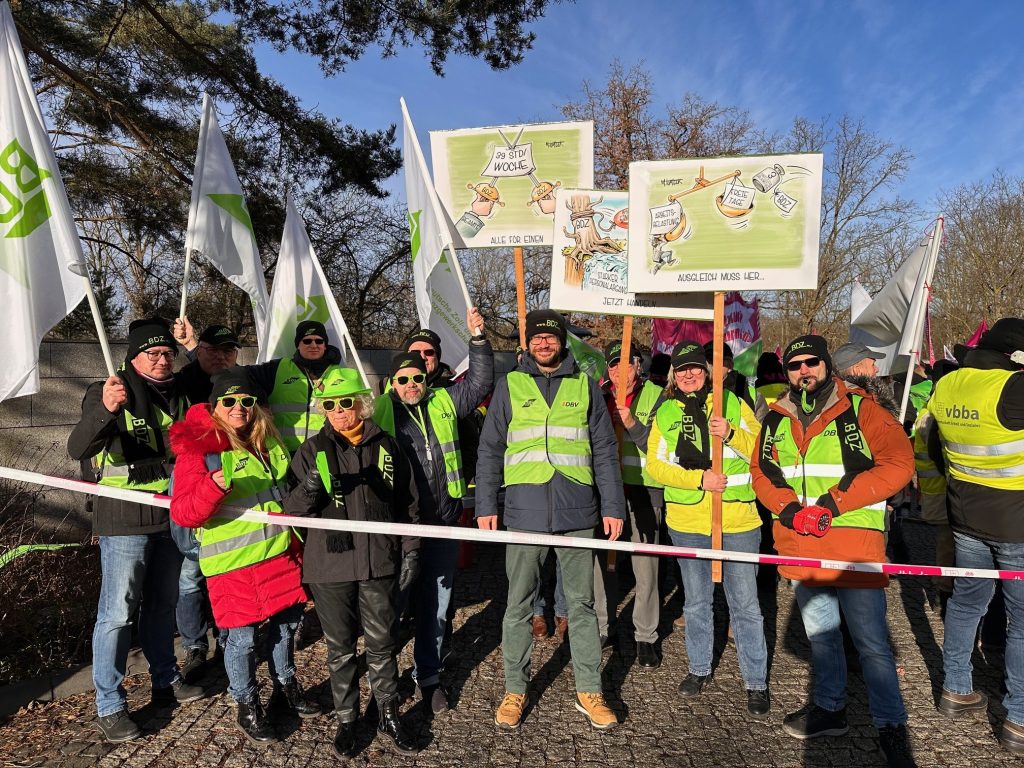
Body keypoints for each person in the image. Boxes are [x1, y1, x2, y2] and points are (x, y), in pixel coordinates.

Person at [751, 335, 916, 767]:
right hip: (802, 547)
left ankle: (891, 726)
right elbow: (762, 471)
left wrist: (832, 504)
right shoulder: (777, 416)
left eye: (811, 362)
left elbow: (900, 464)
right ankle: (829, 709)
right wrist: (789, 510)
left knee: (872, 645)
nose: (803, 370)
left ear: (827, 364)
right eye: (794, 365)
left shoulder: (863, 409)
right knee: (822, 639)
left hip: (853, 548)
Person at [476, 309, 625, 731]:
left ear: (562, 341)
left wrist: (613, 506)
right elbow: (490, 449)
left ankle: (590, 690)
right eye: (537, 338)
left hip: (577, 510)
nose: (544, 343)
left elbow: (604, 450)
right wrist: (486, 504)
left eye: (551, 337)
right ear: (528, 344)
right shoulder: (509, 385)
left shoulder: (585, 385)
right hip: (523, 513)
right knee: (518, 605)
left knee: (582, 605)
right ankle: (515, 689)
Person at [68, 317, 202, 743]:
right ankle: (109, 705)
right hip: (125, 519)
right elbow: (78, 447)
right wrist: (106, 410)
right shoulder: (109, 390)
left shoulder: (181, 393)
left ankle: (165, 680)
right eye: (152, 353)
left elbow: (215, 381)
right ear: (134, 357)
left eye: (167, 353)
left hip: (171, 516)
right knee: (117, 612)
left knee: (163, 605)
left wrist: (193, 347)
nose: (162, 360)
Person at [169, 368, 316, 744]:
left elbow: (283, 493)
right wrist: (212, 486)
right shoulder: (201, 448)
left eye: (246, 400)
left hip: (278, 554)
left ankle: (286, 687)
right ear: (215, 405)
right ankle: (247, 705)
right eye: (229, 401)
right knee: (243, 639)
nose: (239, 407)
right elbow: (183, 512)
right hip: (232, 564)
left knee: (286, 628)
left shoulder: (267, 440)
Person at [283, 367, 421, 757]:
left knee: (382, 643)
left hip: (379, 560)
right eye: (330, 405)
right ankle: (347, 719)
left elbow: (408, 504)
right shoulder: (311, 450)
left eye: (346, 402)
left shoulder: (387, 445)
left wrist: (411, 549)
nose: (339, 411)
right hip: (331, 565)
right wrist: (310, 488)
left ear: (362, 404)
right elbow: (291, 512)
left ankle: (388, 714)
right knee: (340, 648)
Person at [375, 307, 494, 714]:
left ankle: (429, 675)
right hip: (401, 527)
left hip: (443, 521)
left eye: (418, 377)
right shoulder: (380, 410)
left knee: (437, 603)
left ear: (428, 377)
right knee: (392, 604)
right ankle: (384, 683)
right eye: (403, 378)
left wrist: (479, 338)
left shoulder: (444, 399)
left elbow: (481, 382)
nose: (412, 383)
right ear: (392, 382)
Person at [645, 341, 770, 715]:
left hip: (738, 521)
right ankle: (699, 668)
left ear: (707, 371)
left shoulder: (733, 404)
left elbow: (763, 450)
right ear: (674, 375)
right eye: (681, 369)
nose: (689, 374)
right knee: (697, 601)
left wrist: (731, 433)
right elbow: (656, 465)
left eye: (695, 367)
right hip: (688, 522)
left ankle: (756, 681)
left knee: (746, 605)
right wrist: (699, 480)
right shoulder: (666, 411)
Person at [927, 318, 1024, 753]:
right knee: (1022, 621)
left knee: (966, 605)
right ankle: (1019, 718)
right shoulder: (1014, 387)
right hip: (1016, 524)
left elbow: (933, 446)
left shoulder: (948, 383)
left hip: (965, 515)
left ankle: (956, 689)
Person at [170, 320, 242, 679]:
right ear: (200, 351)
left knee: (227, 573)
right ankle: (195, 647)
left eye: (228, 350)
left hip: (233, 486)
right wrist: (190, 347)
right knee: (190, 576)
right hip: (193, 479)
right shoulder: (183, 381)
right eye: (212, 350)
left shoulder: (242, 381)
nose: (220, 356)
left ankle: (229, 642)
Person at [606, 340, 667, 668]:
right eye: (613, 364)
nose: (620, 371)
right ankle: (603, 627)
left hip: (645, 492)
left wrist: (630, 423)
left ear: (638, 366)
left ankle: (646, 636)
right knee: (603, 568)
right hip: (608, 495)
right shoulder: (599, 395)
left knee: (646, 570)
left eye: (626, 363)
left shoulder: (658, 396)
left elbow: (661, 446)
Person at [245, 320, 344, 453]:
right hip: (283, 453)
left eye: (319, 341)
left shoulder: (340, 374)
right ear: (298, 345)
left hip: (325, 452)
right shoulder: (277, 368)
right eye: (307, 341)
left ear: (325, 345)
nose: (314, 345)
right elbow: (242, 376)